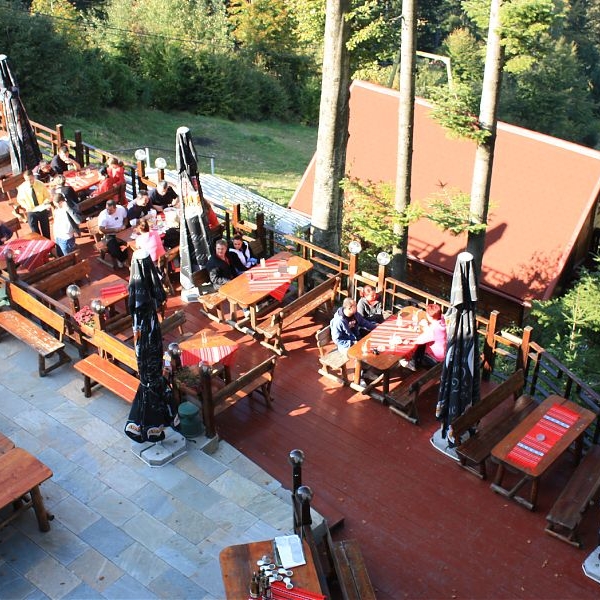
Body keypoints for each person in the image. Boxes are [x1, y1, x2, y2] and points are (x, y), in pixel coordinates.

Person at [404, 303, 447, 370]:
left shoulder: (434, 330)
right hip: (443, 353)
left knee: (418, 346)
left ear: (430, 317)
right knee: (421, 346)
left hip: (435, 359)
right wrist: (426, 326)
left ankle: (412, 365)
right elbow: (431, 334)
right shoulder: (441, 320)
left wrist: (407, 339)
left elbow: (419, 340)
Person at [16, 169, 52, 239]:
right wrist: (26, 206)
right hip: (31, 211)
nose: (29, 182)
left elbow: (47, 196)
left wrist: (45, 202)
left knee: (46, 231)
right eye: (27, 180)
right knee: (35, 232)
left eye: (31, 179)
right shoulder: (22, 188)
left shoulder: (40, 184)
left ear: (33, 177)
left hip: (42, 209)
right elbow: (20, 200)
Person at [98, 199, 129, 268]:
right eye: (107, 209)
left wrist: (124, 225)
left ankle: (124, 258)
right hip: (111, 234)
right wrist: (114, 230)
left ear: (115, 208)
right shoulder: (103, 215)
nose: (108, 211)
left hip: (122, 231)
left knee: (132, 242)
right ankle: (122, 259)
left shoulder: (121, 209)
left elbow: (125, 218)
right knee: (114, 250)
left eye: (111, 210)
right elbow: (101, 229)